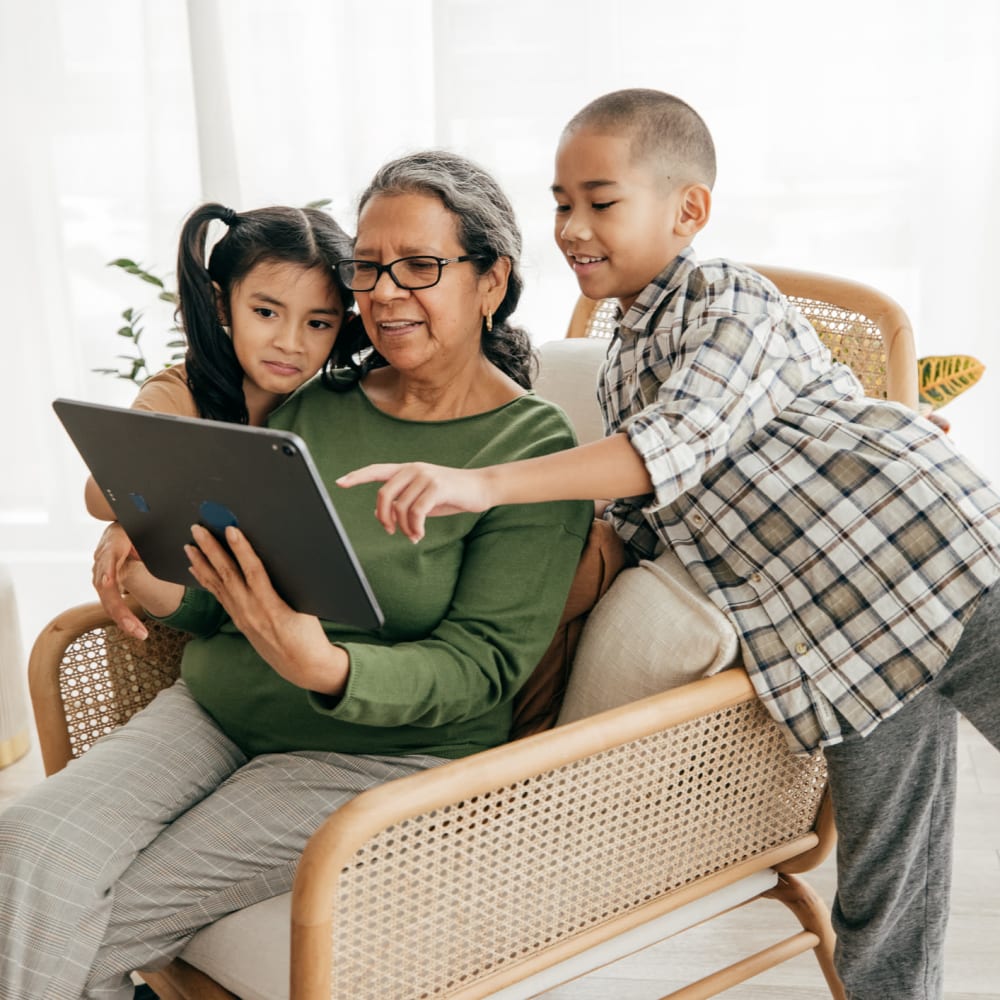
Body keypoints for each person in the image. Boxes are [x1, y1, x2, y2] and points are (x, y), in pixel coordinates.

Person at [338, 90, 1000, 1000]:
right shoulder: (623, 355)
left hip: (941, 567)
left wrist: (481, 482)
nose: (571, 228)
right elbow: (657, 513)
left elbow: (672, 446)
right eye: (561, 202)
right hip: (849, 644)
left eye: (599, 202)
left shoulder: (727, 298)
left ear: (687, 211)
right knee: (885, 901)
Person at [0, 151, 592, 999]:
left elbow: (483, 667)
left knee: (82, 918)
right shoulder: (317, 403)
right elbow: (231, 596)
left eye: (419, 267)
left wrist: (324, 665)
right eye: (370, 269)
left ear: (490, 280)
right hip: (216, 708)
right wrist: (161, 581)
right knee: (27, 850)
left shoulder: (530, 453)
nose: (384, 293)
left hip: (372, 754)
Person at [88, 202, 360, 641]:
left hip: (320, 621)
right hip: (212, 608)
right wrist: (128, 523)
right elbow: (99, 495)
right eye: (266, 313)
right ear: (220, 303)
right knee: (136, 565)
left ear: (342, 325)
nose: (290, 343)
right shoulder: (179, 392)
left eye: (317, 323)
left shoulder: (337, 401)